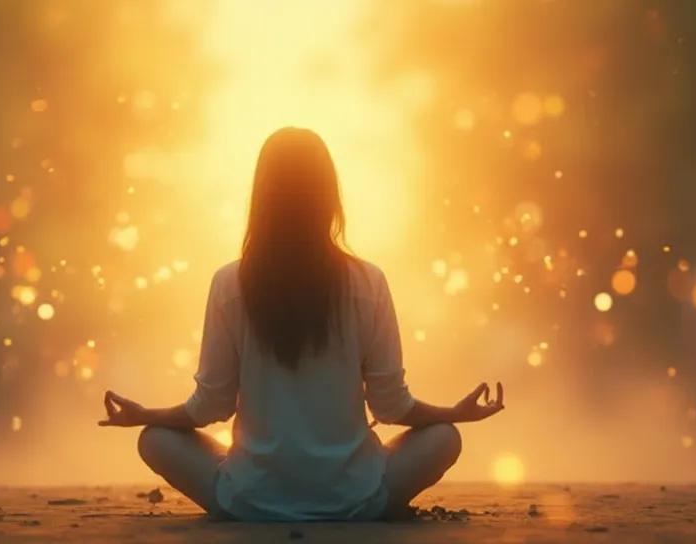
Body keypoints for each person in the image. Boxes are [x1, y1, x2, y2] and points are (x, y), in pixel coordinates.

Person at [97, 127, 505, 521]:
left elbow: (211, 406)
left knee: (154, 439)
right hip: (356, 499)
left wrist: (144, 414)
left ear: (261, 198)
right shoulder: (368, 282)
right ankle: (348, 491)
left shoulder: (228, 284)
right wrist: (455, 413)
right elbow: (391, 405)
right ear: (329, 197)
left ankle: (261, 488)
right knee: (445, 437)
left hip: (249, 500)